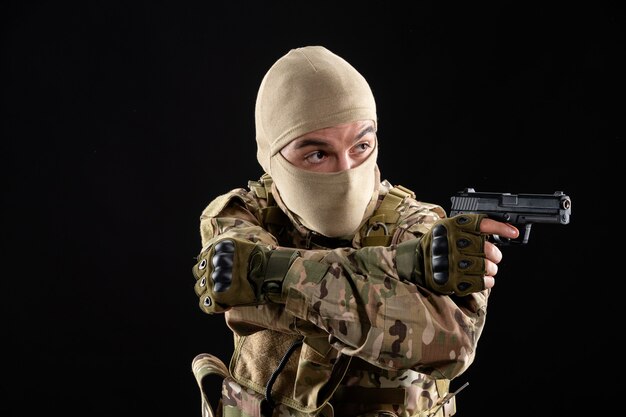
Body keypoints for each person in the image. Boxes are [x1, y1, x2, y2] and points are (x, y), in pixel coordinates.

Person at [191, 45, 519, 417]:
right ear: (272, 156)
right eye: (317, 154)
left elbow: (450, 346)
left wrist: (271, 273)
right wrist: (403, 267)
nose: (346, 170)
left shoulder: (422, 224)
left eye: (361, 145)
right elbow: (240, 297)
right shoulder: (238, 215)